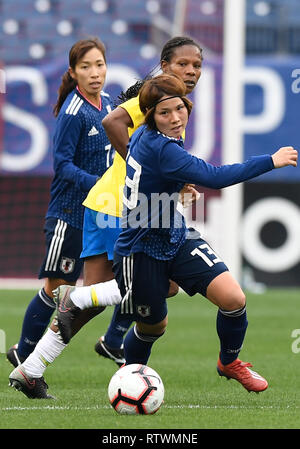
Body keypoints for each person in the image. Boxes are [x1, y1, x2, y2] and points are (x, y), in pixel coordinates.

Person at [8, 36, 203, 399]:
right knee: (165, 284)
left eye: (196, 66)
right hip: (122, 210)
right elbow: (116, 123)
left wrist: (176, 183)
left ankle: (31, 368)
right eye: (182, 65)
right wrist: (140, 167)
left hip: (106, 205)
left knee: (94, 301)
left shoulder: (172, 104)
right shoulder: (150, 99)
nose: (190, 71)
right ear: (164, 66)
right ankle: (97, 325)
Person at [108, 74, 297, 393]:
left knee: (234, 298)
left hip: (175, 235)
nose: (174, 118)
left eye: (179, 108)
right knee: (153, 326)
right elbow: (216, 177)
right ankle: (127, 382)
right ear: (151, 116)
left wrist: (171, 187)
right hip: (141, 247)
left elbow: (149, 169)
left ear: (187, 105)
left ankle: (229, 361)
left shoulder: (146, 135)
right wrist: (271, 160)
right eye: (164, 113)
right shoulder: (163, 149)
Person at [8, 38, 121, 398]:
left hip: (99, 214)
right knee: (57, 288)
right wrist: (102, 185)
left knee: (103, 288)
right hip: (70, 213)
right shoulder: (74, 111)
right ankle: (25, 355)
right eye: (85, 67)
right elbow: (64, 165)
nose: (94, 73)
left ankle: (116, 341)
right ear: (73, 73)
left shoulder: (108, 104)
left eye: (99, 65)